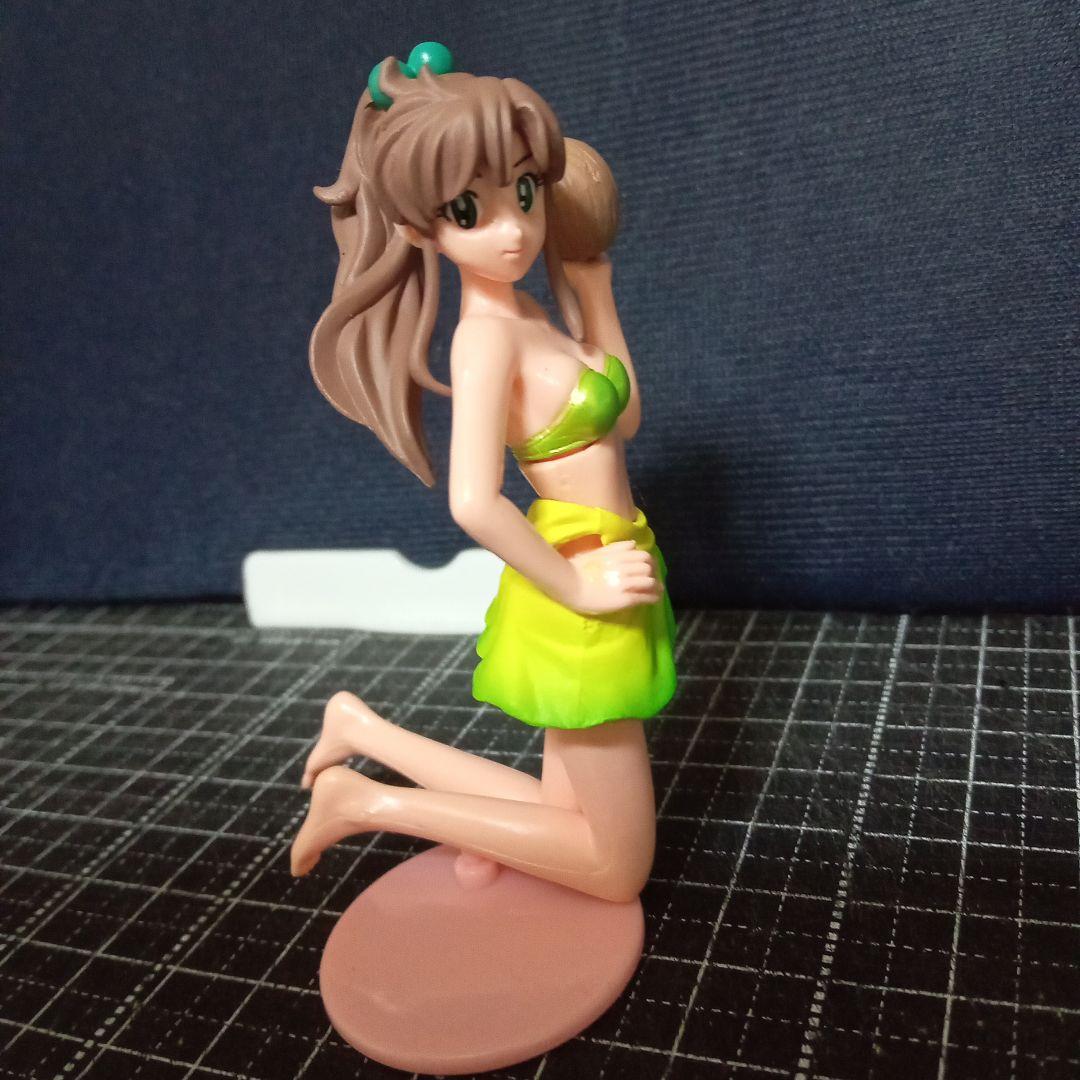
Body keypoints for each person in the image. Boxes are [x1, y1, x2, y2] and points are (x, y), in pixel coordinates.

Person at [291, 44, 676, 904]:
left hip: (612, 557)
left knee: (565, 812)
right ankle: (366, 802)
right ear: (421, 230)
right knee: (617, 870)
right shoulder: (484, 341)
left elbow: (625, 420)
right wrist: (578, 589)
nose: (514, 229)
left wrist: (596, 293)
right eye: (471, 210)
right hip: (580, 580)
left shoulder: (531, 311)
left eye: (524, 193)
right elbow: (472, 501)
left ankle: (361, 731)